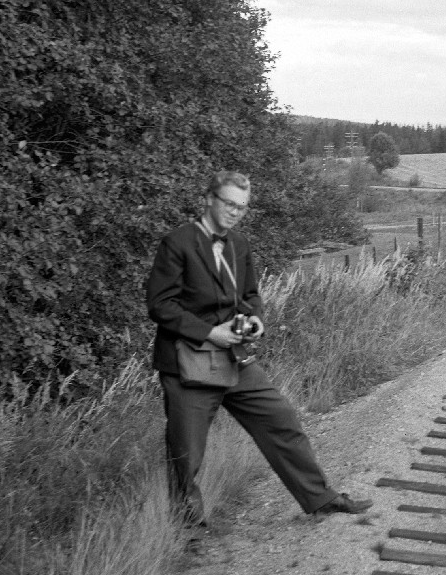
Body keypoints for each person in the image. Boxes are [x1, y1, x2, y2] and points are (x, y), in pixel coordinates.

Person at [145, 170, 371, 527]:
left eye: (242, 207)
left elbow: (250, 296)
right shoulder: (177, 243)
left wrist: (255, 319)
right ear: (209, 199)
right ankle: (186, 533)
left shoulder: (239, 244)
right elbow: (160, 305)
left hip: (235, 359)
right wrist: (209, 332)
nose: (235, 212)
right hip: (188, 363)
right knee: (186, 454)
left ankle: (320, 498)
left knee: (282, 421)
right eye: (229, 204)